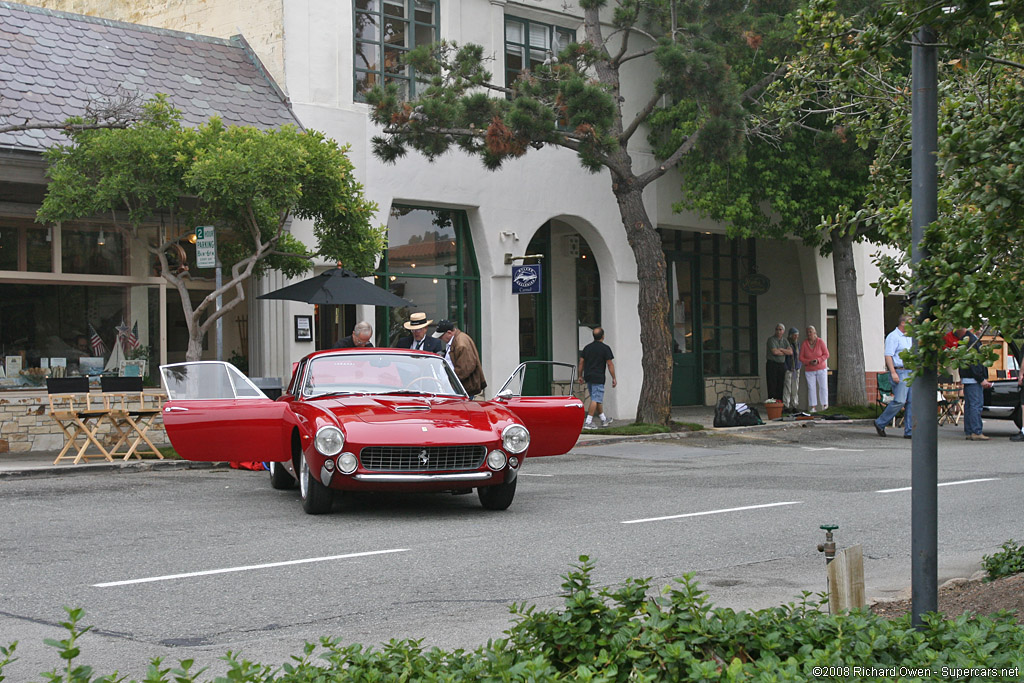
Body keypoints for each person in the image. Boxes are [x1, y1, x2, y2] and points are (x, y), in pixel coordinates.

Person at [874, 314, 914, 438]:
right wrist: (893, 372)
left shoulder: (910, 337)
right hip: (900, 370)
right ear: (903, 323)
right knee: (900, 400)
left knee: (912, 401)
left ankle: (909, 430)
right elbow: (888, 355)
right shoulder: (893, 336)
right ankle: (880, 422)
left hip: (911, 371)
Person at [433, 320, 486, 398]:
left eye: (441, 336)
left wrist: (452, 382)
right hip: (459, 386)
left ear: (449, 333)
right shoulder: (457, 340)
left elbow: (464, 369)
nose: (441, 339)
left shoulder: (461, 344)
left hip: (462, 388)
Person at [577, 327, 617, 430]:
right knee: (595, 398)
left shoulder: (587, 348)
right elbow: (609, 364)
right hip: (598, 377)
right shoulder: (605, 348)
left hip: (589, 376)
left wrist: (580, 376)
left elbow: (581, 362)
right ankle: (588, 422)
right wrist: (614, 377)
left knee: (596, 397)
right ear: (603, 336)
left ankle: (603, 419)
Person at [958, 327, 992, 441]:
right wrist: (981, 378)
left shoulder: (965, 339)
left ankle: (969, 430)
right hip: (974, 379)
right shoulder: (973, 340)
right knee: (976, 405)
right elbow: (975, 362)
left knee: (969, 405)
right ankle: (976, 431)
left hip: (967, 378)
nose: (982, 328)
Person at [799, 325, 830, 413]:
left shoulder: (820, 342)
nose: (809, 334)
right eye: (807, 332)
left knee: (823, 386)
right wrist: (809, 362)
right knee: (811, 388)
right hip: (809, 369)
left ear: (815, 333)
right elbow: (801, 357)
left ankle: (825, 405)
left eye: (810, 332)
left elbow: (826, 354)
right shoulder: (805, 344)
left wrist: (818, 360)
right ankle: (813, 407)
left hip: (821, 368)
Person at [765, 323, 791, 402]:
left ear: (783, 331)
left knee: (780, 385)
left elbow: (790, 352)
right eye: (777, 329)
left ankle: (779, 405)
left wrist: (781, 350)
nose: (778, 331)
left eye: (780, 330)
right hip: (772, 364)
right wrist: (784, 352)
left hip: (781, 365)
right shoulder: (771, 339)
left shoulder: (785, 341)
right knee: (772, 385)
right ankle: (772, 404)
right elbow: (775, 352)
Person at [782, 327, 802, 413]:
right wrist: (786, 367)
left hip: (796, 368)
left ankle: (795, 404)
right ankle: (786, 405)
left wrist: (799, 366)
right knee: (787, 387)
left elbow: (799, 355)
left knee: (795, 388)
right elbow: (785, 356)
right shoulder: (787, 343)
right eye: (794, 335)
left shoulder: (797, 344)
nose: (796, 337)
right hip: (789, 368)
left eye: (797, 335)